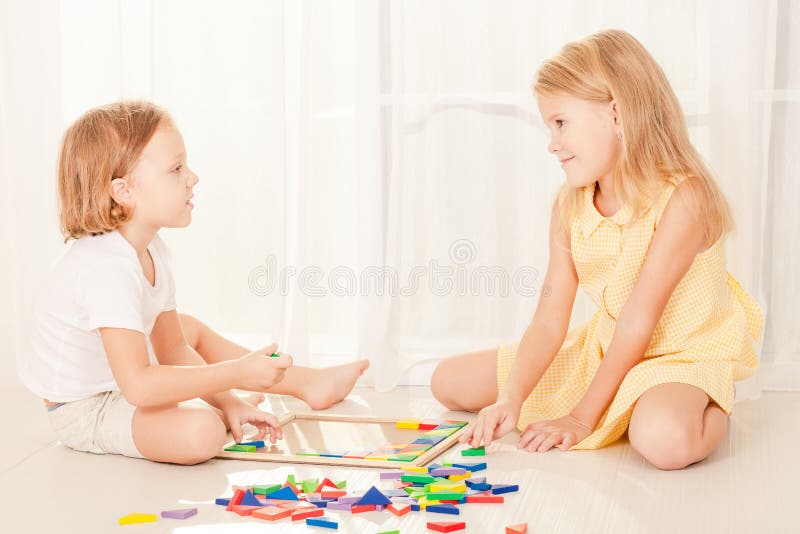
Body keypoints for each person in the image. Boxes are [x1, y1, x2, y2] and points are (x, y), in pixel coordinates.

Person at [431, 29, 763, 470]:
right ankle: (622, 401)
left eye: (561, 122)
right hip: (607, 350)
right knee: (446, 381)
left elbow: (639, 319)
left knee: (664, 441)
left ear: (617, 114)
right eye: (548, 126)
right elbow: (550, 321)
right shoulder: (570, 206)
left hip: (681, 357)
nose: (551, 142)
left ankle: (714, 400)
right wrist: (511, 399)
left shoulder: (684, 198)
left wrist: (580, 417)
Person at [20, 101, 369, 464]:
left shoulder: (151, 247)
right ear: (123, 192)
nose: (193, 177)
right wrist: (234, 374)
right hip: (88, 408)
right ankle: (274, 390)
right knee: (202, 433)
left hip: (118, 377)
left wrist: (229, 401)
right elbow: (138, 386)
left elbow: (172, 349)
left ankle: (306, 382)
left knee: (189, 332)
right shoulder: (107, 268)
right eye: (176, 168)